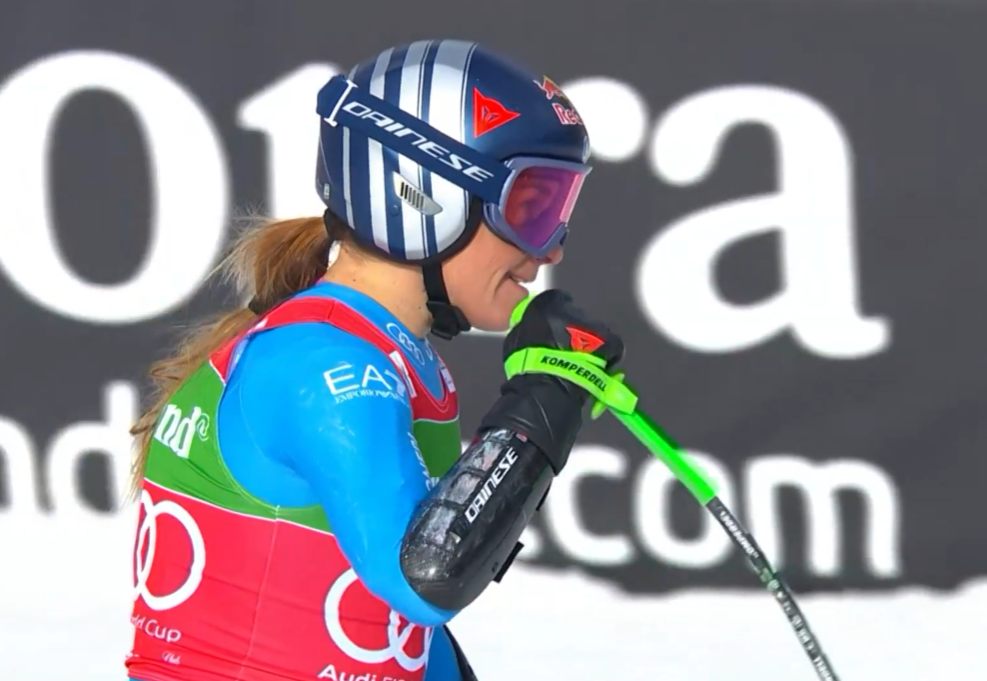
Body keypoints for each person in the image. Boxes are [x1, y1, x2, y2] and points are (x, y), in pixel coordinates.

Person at [124, 38, 623, 681]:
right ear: (424, 195)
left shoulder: (392, 360)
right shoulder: (322, 367)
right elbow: (426, 578)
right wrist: (546, 396)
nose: (549, 249)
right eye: (531, 206)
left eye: (558, 209)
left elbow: (396, 634)